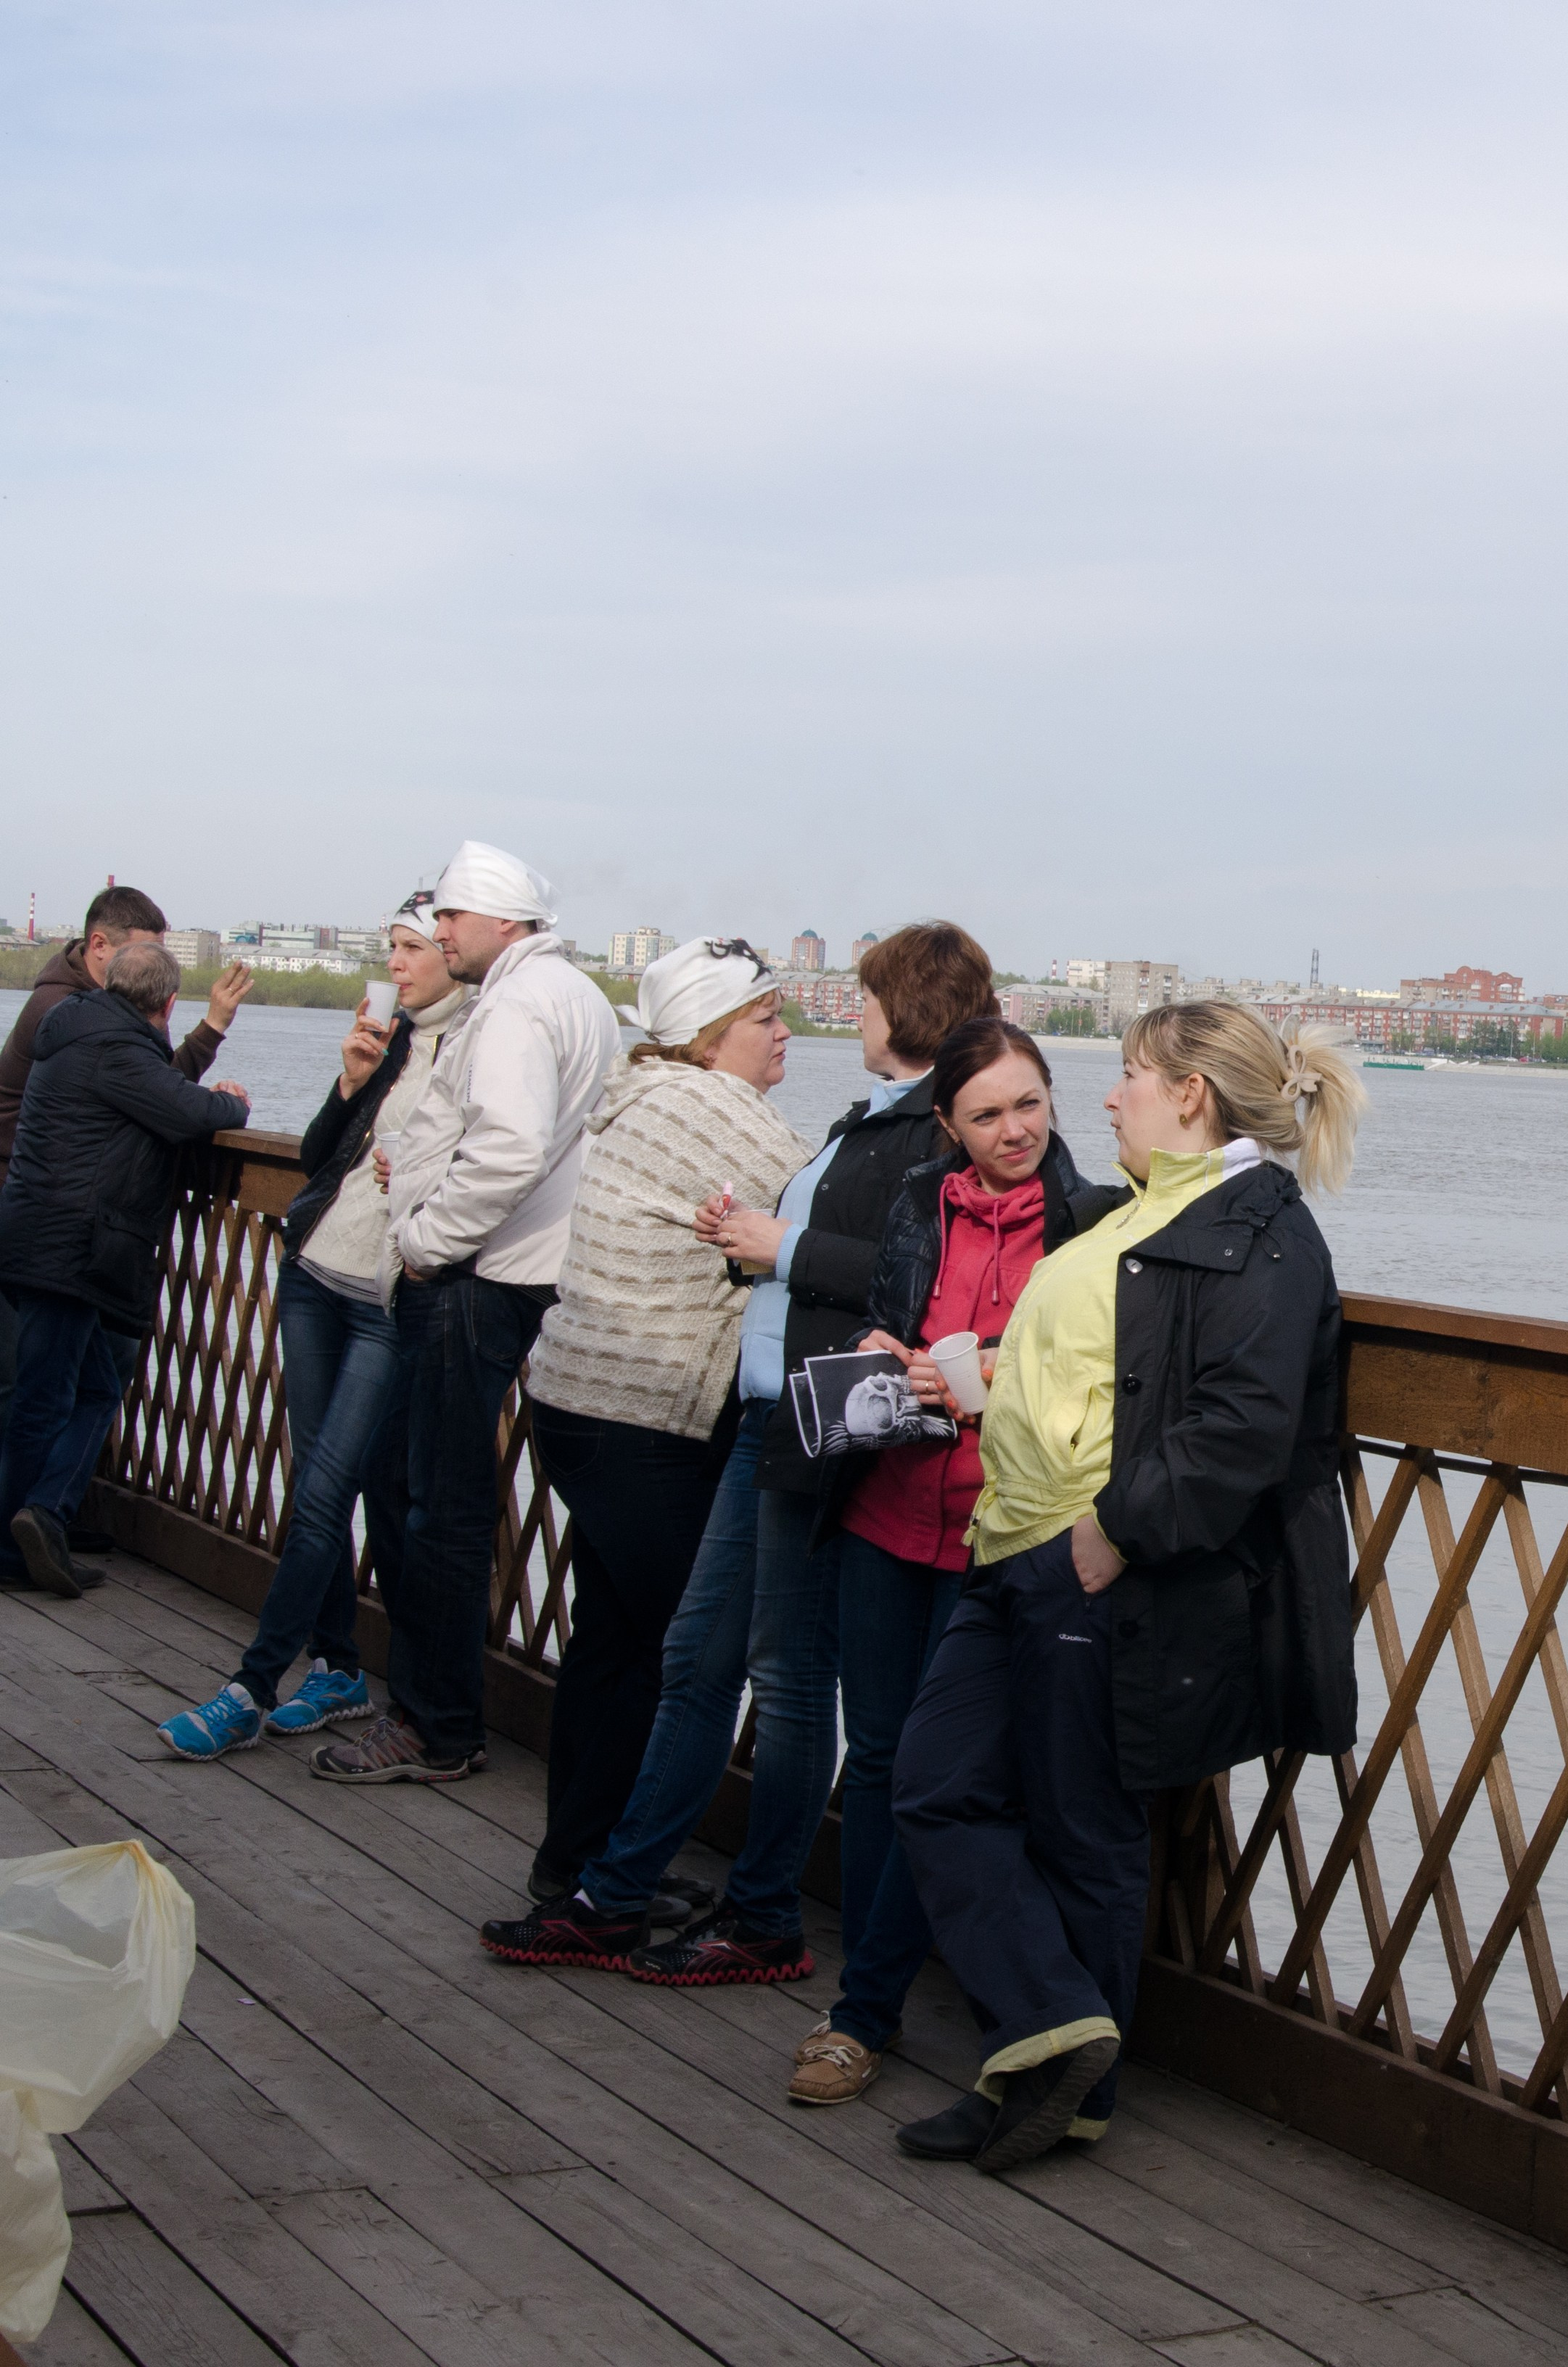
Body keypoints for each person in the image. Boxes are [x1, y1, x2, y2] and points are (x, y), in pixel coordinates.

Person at [891, 1003, 1364, 2176]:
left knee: (1080, 1828)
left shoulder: (1261, 1232)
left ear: (1191, 1093)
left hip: (1091, 1564)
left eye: (1131, 1077)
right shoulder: (1142, 1208)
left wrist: (1110, 1534)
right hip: (1008, 1550)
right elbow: (1113, 1356)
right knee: (936, 1787)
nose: (1106, 1098)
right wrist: (997, 1371)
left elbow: (1242, 1427)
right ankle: (1062, 2030)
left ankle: (1057, 2084)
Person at [482, 922, 1001, 1988]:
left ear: (902, 1011)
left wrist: (781, 1249)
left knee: (783, 1675)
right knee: (698, 1660)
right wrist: (747, 1257)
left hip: (819, 1420)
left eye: (860, 1000)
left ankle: (749, 1911)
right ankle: (614, 1895)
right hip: (773, 1417)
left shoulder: (928, 1138)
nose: (836, 1018)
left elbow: (925, 1274)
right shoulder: (877, 1125)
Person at [786, 1019, 1120, 2106]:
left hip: (1001, 1536)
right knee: (881, 1760)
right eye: (985, 1114)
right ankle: (874, 2005)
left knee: (949, 1775)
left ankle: (866, 2013)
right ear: (947, 1125)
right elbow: (889, 1321)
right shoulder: (916, 1203)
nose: (1013, 1130)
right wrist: (884, 1356)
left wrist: (984, 1371)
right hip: (888, 1512)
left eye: (1029, 1105)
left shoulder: (1092, 1224)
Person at [479, 938, 810, 1936]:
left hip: (584, 1406)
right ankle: (612, 1883)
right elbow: (819, 1200)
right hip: (643, 1418)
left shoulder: (647, 1093)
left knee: (615, 1640)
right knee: (685, 1653)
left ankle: (574, 1862)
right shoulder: (709, 1108)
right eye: (764, 1017)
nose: (783, 1031)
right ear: (711, 1035)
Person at [309, 843, 619, 1785]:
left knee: (436, 1505)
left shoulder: (521, 1004)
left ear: (500, 922)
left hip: (478, 1278)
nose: (437, 933)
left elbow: (510, 1148)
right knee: (438, 1495)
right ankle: (444, 1716)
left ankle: (435, 1725)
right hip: (536, 1270)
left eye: (449, 917)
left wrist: (426, 1239)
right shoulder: (575, 997)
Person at [156, 892, 471, 1759]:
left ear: (454, 951)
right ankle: (337, 1665)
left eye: (413, 947)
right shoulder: (396, 1038)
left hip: (383, 1300)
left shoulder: (478, 1050)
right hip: (311, 1278)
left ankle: (250, 1687)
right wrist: (349, 1083)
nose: (397, 963)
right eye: (392, 947)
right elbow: (314, 1156)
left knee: (329, 1494)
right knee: (319, 1491)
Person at [0, 943, 251, 1597]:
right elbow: (191, 1111)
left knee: (88, 1388)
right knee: (47, 1398)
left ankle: (43, 1520)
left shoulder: (77, 1028)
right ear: (166, 1006)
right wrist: (234, 1102)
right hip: (70, 1247)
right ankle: (16, 1536)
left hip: (41, 1235)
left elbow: (156, 1091)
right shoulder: (117, 1048)